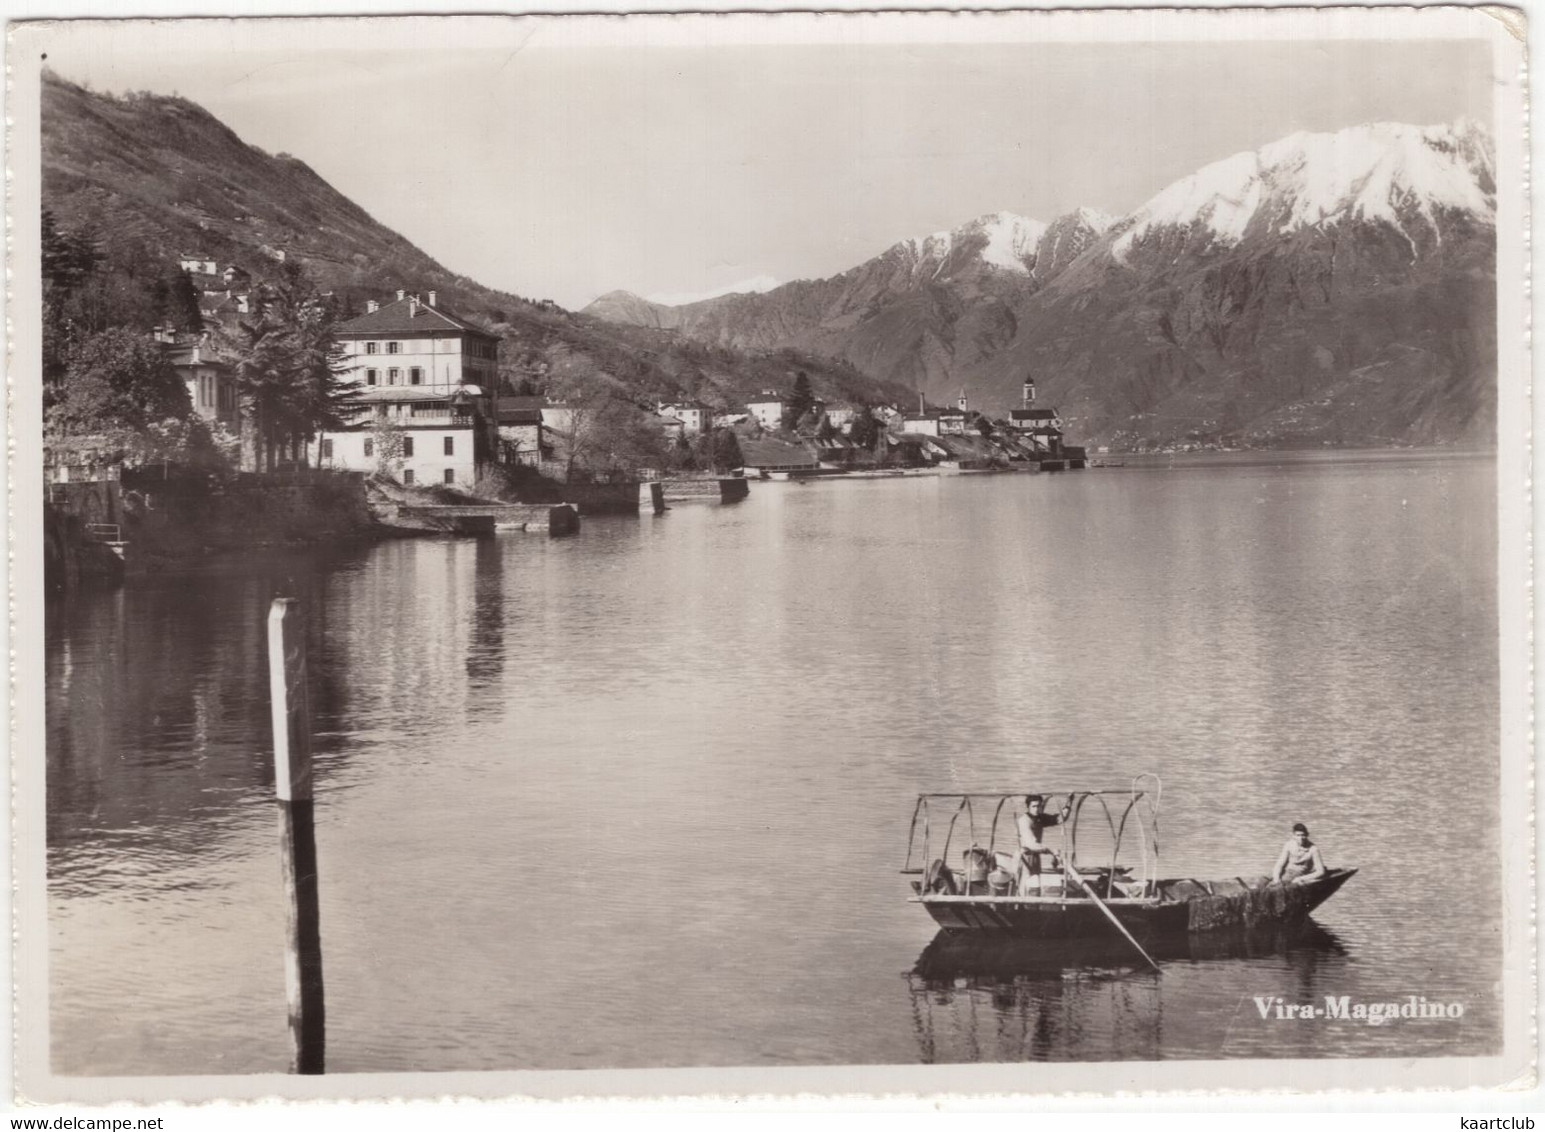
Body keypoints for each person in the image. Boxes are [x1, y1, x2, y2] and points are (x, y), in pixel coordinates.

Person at [1016, 793, 1073, 879]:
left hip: (1035, 856)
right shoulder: (1024, 821)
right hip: (1025, 857)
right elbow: (1032, 844)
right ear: (1028, 807)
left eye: (1039, 806)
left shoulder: (1039, 818)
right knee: (1027, 884)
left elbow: (1060, 818)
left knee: (1035, 883)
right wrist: (1052, 851)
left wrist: (1069, 802)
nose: (1037, 809)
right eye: (1034, 806)